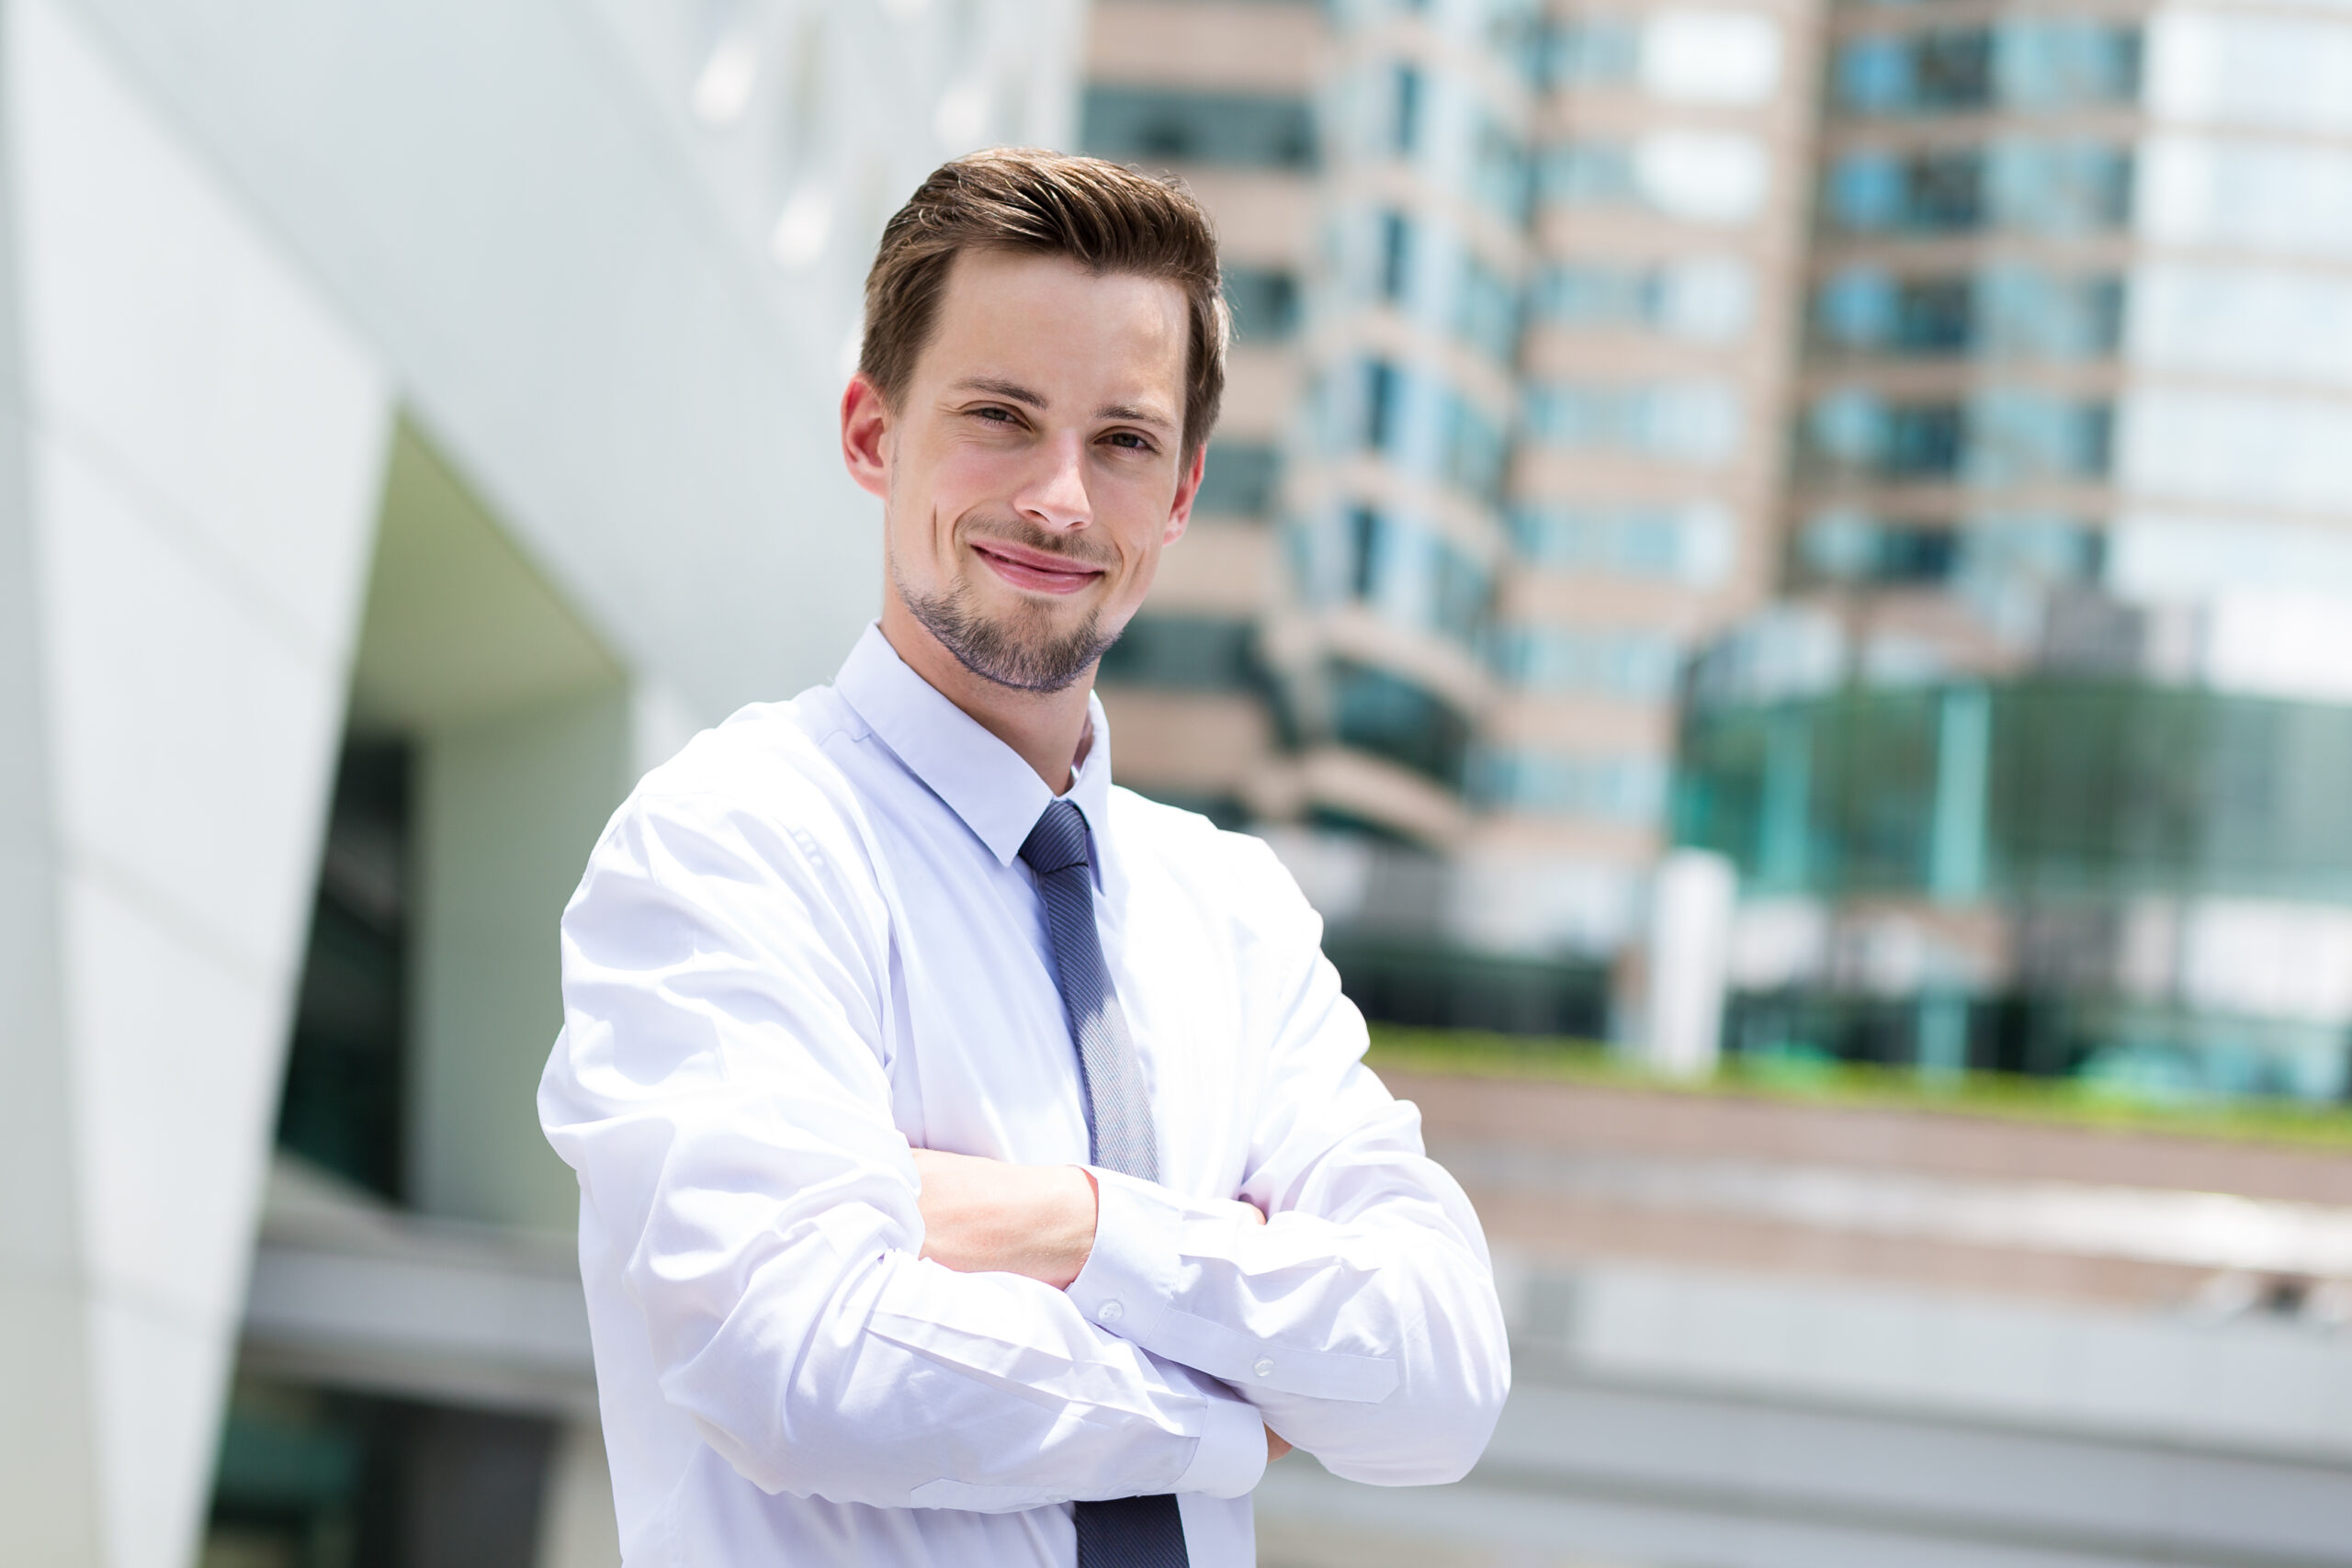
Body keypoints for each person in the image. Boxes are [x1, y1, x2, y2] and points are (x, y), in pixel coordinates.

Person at [538, 149, 1510, 1567]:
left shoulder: (1233, 917)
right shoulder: (732, 842)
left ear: (1178, 496)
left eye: (1123, 440)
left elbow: (1440, 1376)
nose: (1060, 499)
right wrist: (1235, 1410)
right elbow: (802, 1365)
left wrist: (1073, 1229)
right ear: (874, 433)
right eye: (1001, 417)